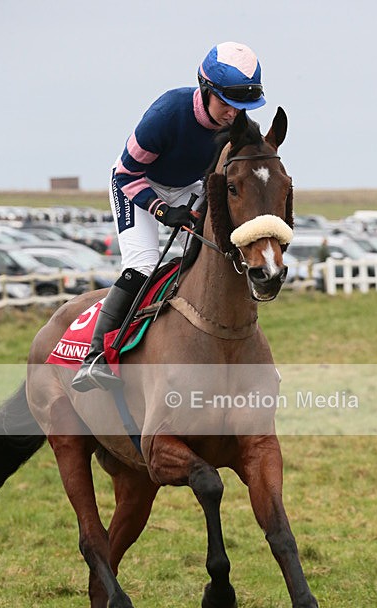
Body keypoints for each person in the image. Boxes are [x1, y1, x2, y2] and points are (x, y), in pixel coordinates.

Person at [72, 42, 266, 392]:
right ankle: (96, 357)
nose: (233, 115)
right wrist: (162, 211)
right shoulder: (167, 113)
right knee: (143, 265)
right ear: (205, 89)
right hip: (137, 183)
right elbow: (127, 175)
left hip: (189, 186)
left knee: (208, 256)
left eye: (242, 107)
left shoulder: (238, 122)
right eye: (227, 103)